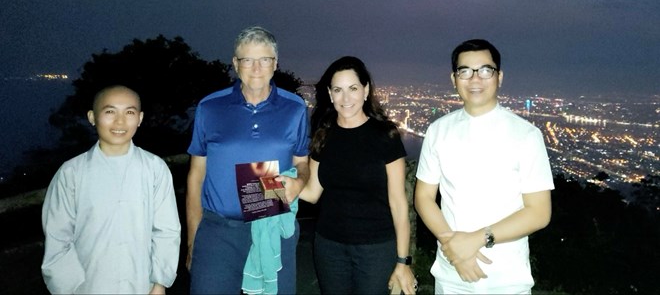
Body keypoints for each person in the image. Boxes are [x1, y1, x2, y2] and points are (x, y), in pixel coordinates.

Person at [414, 39, 555, 294]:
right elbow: (424, 197)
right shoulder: (438, 131)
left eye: (485, 70)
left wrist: (477, 240)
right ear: (454, 79)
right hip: (451, 274)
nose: (474, 79)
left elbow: (539, 212)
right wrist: (455, 250)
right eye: (465, 71)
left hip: (507, 278)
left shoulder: (526, 135)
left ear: (499, 77)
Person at [186, 26, 310, 294]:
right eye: (247, 60)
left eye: (264, 59)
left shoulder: (295, 108)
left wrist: (299, 182)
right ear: (235, 64)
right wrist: (194, 239)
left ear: (275, 64)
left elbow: (303, 162)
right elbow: (196, 176)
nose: (256, 68)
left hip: (273, 227)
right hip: (219, 230)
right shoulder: (210, 107)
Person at [41, 85, 181, 294]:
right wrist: (69, 287)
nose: (120, 121)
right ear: (92, 117)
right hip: (88, 285)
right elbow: (57, 236)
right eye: (109, 112)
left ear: (140, 118)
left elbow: (167, 231)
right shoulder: (72, 172)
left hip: (141, 284)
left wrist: (159, 283)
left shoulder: (154, 168)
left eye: (130, 112)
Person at [300, 56, 417, 294]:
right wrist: (270, 184)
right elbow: (312, 193)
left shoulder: (386, 135)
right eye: (338, 90)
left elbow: (398, 202)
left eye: (353, 88)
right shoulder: (323, 135)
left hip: (376, 248)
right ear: (330, 95)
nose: (346, 98)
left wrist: (403, 261)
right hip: (329, 246)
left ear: (366, 90)